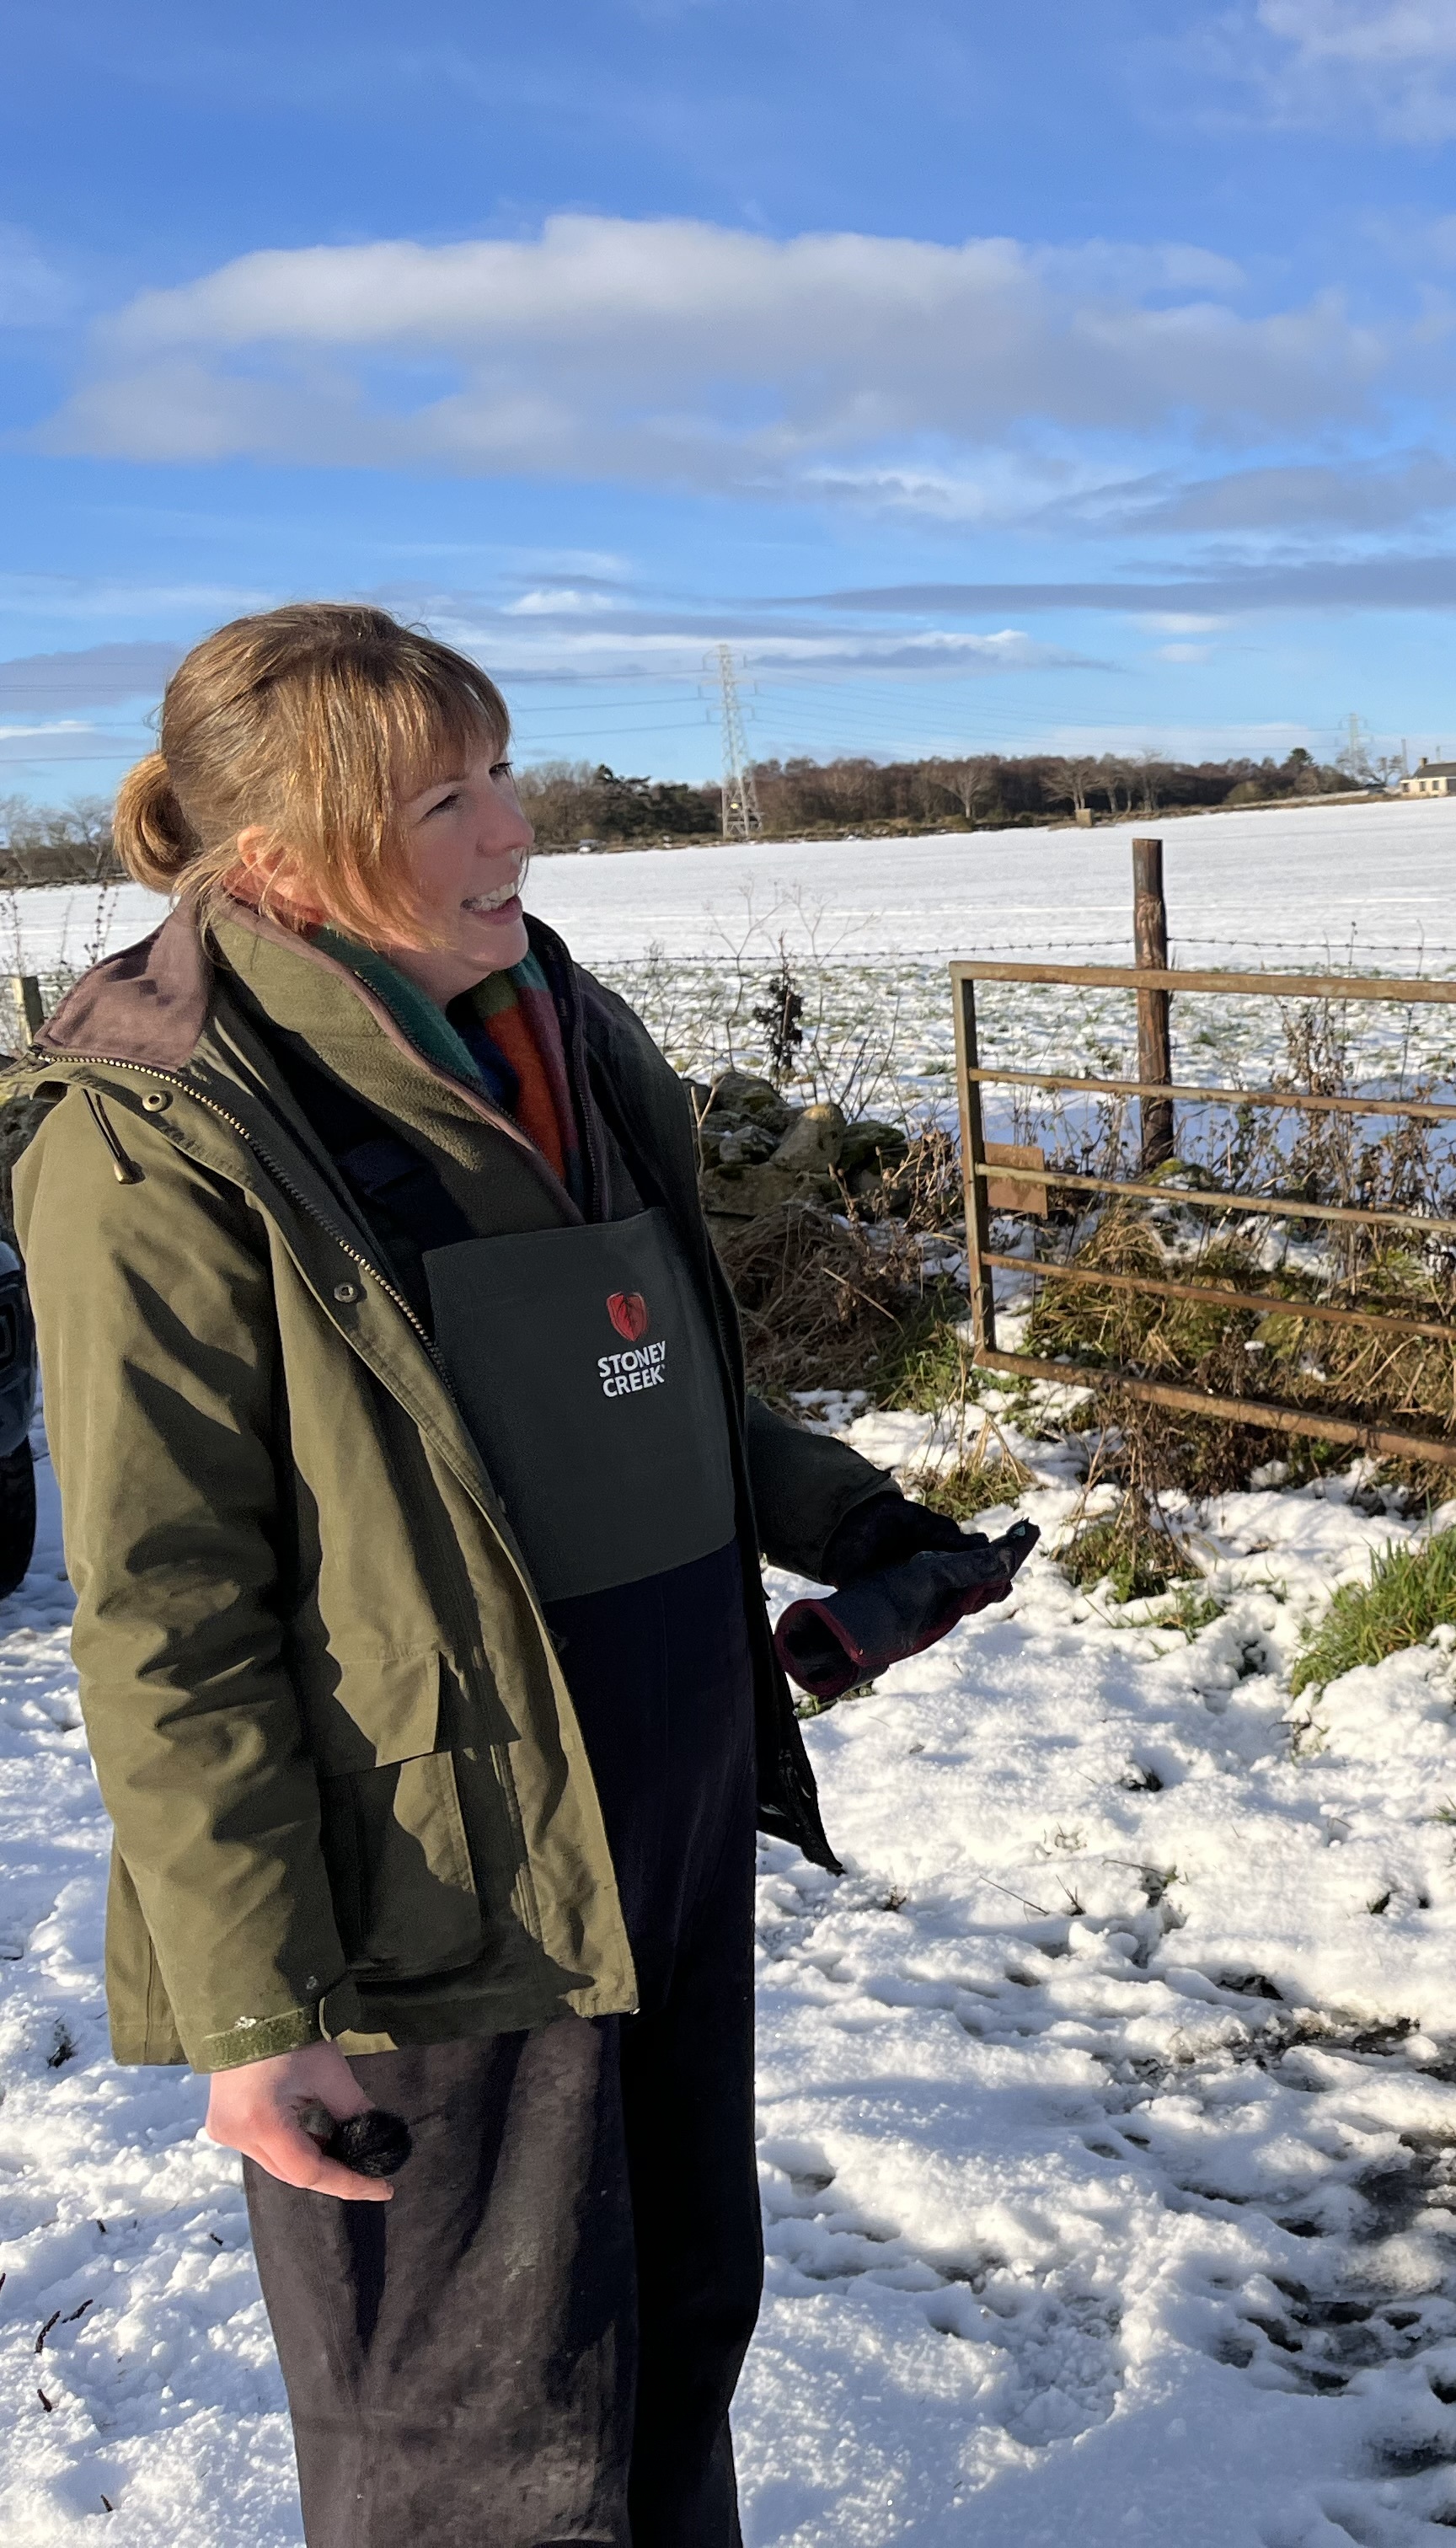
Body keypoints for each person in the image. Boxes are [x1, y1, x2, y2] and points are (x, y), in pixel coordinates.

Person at [18, 604, 1024, 2547]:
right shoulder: (168, 1134)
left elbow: (637, 1382)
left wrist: (857, 1519)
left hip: (666, 1820)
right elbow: (165, 1604)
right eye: (448, 798)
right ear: (288, 858)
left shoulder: (563, 1033)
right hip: (427, 1889)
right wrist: (251, 2001)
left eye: (501, 772)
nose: (515, 831)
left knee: (669, 2347)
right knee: (476, 2437)